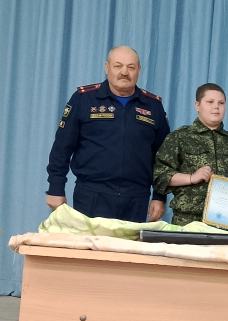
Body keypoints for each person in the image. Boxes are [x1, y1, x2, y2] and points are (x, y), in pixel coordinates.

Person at [46, 46, 169, 223]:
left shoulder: (153, 106)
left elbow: (164, 157)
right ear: (107, 67)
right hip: (91, 195)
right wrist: (55, 188)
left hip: (136, 198)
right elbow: (62, 147)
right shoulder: (84, 99)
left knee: (130, 243)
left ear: (139, 70)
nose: (124, 72)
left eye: (131, 67)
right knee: (90, 243)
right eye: (118, 66)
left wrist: (159, 196)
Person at [152, 83, 228, 233]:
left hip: (224, 226)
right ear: (197, 105)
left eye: (221, 103)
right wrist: (192, 178)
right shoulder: (180, 137)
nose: (216, 107)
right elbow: (160, 176)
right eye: (210, 102)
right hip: (187, 222)